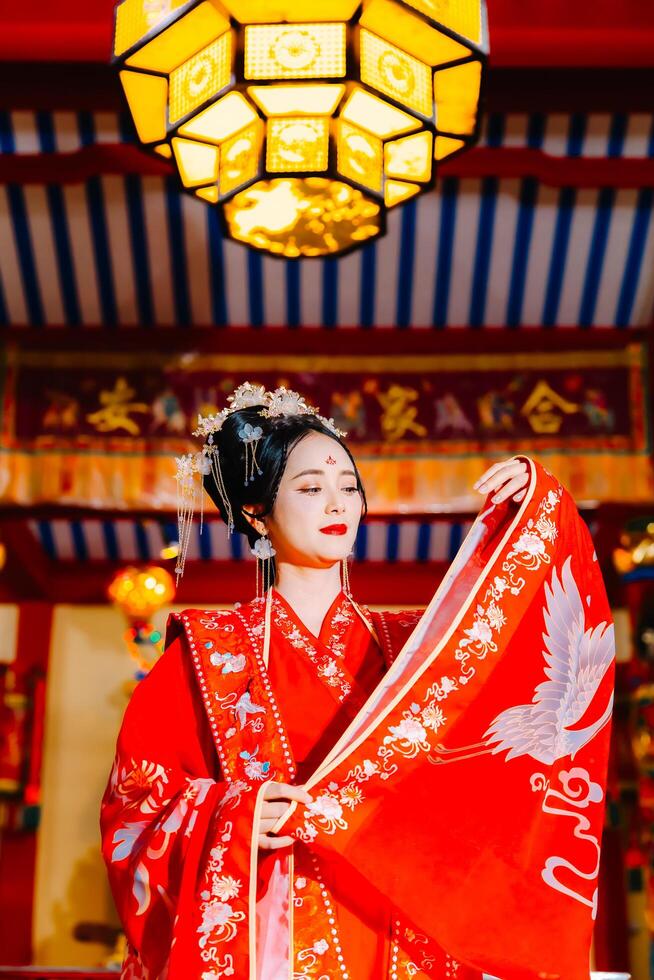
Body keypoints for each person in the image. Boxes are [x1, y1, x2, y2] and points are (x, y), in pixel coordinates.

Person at [101, 383, 612, 980]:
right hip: (274, 930)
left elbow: (527, 672)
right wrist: (237, 812)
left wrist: (536, 509)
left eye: (348, 487)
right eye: (311, 488)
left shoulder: (416, 646)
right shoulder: (209, 650)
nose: (337, 504)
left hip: (404, 932)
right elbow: (137, 799)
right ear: (256, 512)